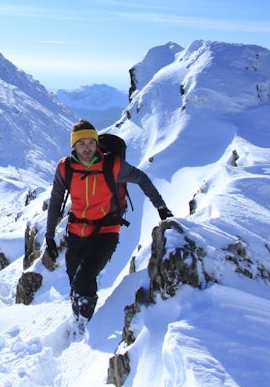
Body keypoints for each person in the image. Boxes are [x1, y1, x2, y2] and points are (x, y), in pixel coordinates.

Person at [43, 119, 173, 323]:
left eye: (91, 143)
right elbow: (56, 201)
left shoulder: (113, 165)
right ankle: (83, 315)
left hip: (107, 228)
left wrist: (161, 207)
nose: (87, 148)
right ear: (74, 146)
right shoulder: (65, 169)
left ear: (96, 144)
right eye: (82, 143)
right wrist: (49, 236)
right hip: (77, 229)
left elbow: (142, 179)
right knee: (74, 277)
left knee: (84, 277)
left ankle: (85, 326)